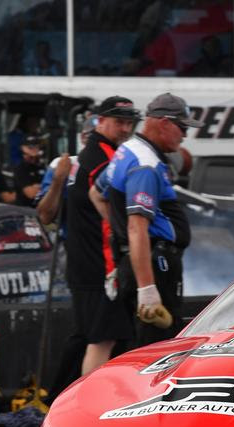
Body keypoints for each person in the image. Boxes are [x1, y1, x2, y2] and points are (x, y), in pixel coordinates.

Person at [92, 93, 202, 346]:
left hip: (138, 260)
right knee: (158, 348)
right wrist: (147, 289)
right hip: (156, 263)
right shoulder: (146, 163)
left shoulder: (127, 150)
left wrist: (123, 241)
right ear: (164, 123)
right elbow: (137, 227)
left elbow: (96, 194)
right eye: (182, 127)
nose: (184, 135)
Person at [63, 97, 141, 380]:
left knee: (89, 336)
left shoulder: (88, 152)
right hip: (100, 263)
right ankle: (86, 410)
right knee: (103, 339)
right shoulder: (104, 156)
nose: (125, 128)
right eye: (119, 121)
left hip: (83, 260)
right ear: (100, 120)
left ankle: (60, 398)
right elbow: (112, 208)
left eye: (129, 122)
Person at [13, 136, 47, 207]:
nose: (34, 149)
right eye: (30, 147)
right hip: (25, 211)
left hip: (41, 208)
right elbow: (31, 194)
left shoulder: (42, 166)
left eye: (36, 146)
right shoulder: (21, 168)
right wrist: (46, 186)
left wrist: (39, 187)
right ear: (23, 149)